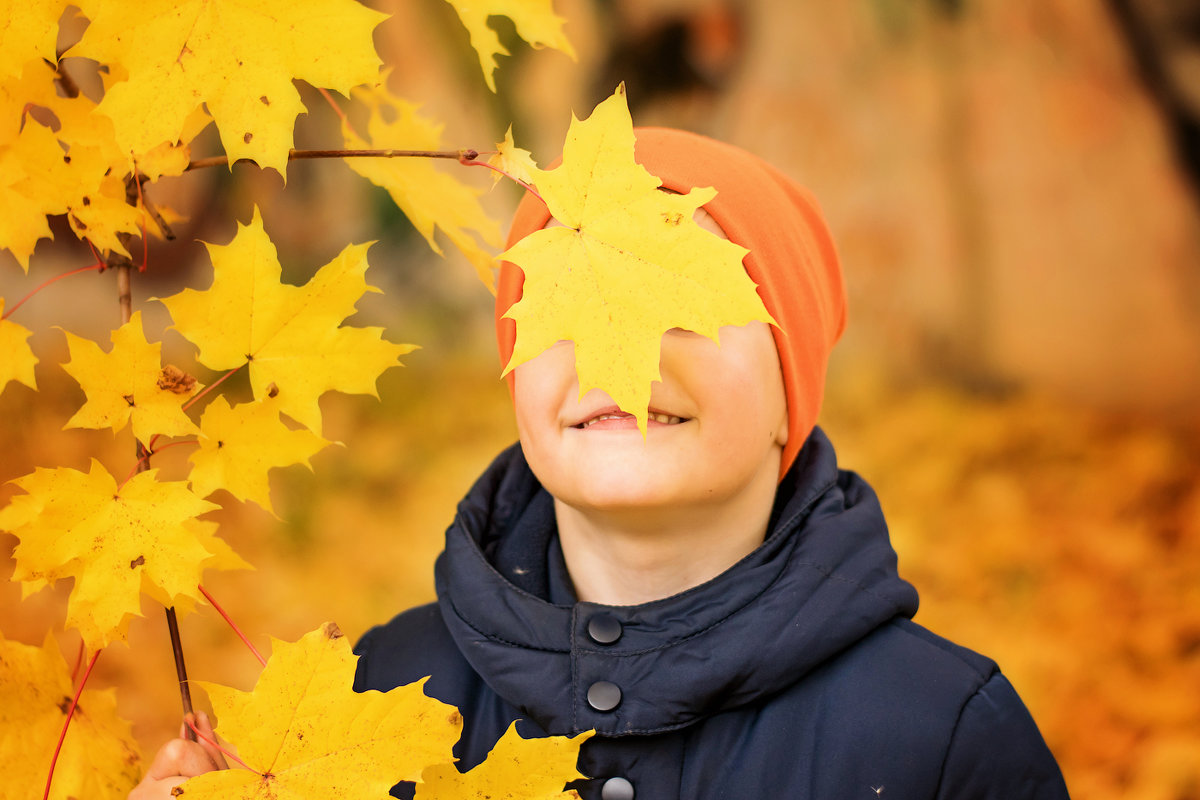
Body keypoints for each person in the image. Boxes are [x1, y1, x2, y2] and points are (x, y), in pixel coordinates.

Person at [132, 128, 1070, 799]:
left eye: (686, 304)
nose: (619, 355)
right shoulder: (375, 694)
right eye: (568, 305)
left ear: (796, 388)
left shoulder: (938, 737)